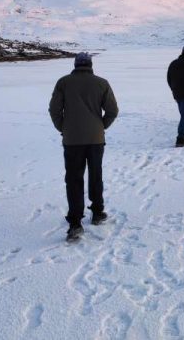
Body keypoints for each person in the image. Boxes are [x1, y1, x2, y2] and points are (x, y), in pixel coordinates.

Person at [49, 53, 119, 242]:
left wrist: (63, 128)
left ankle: (75, 223)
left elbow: (54, 110)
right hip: (96, 139)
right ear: (90, 65)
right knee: (96, 175)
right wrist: (101, 126)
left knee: (74, 179)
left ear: (75, 64)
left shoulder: (63, 82)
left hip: (72, 140)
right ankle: (97, 212)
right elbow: (113, 110)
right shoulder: (102, 83)